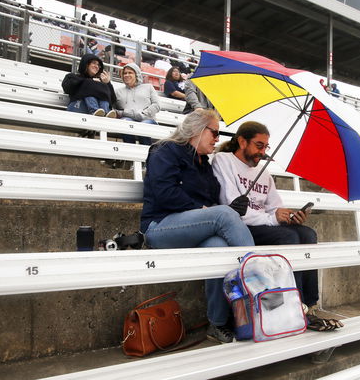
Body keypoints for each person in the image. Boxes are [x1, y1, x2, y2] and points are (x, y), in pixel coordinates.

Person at [212, 121, 343, 332]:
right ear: (242, 141)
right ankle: (295, 306)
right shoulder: (223, 160)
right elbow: (233, 207)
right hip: (241, 226)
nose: (262, 152)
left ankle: (310, 304)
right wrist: (274, 218)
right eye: (258, 145)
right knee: (289, 238)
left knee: (307, 234)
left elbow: (274, 208)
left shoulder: (264, 173)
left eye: (266, 147)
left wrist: (289, 216)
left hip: (264, 224)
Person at [140, 109, 254, 344]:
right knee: (223, 215)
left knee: (219, 247)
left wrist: (233, 205)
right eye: (215, 132)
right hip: (160, 226)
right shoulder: (165, 150)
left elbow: (212, 202)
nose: (217, 139)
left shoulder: (204, 163)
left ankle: (218, 322)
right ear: (198, 130)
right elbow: (164, 193)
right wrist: (204, 210)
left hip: (193, 229)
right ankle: (259, 284)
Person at [114, 63, 160, 145]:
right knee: (125, 123)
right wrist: (125, 113)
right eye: (125, 73)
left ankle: (146, 154)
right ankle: (130, 155)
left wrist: (143, 114)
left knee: (142, 127)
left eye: (130, 73)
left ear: (137, 74)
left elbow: (156, 105)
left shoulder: (148, 87)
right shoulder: (118, 91)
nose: (126, 75)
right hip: (127, 118)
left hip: (147, 119)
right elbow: (113, 109)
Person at [62, 53, 117, 120]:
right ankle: (94, 111)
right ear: (86, 64)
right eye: (94, 63)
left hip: (100, 115)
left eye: (98, 65)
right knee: (90, 84)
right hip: (78, 109)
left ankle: (105, 112)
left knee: (103, 87)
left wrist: (108, 83)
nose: (97, 66)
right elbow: (67, 88)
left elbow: (113, 100)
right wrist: (90, 81)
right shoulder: (73, 76)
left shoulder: (101, 82)